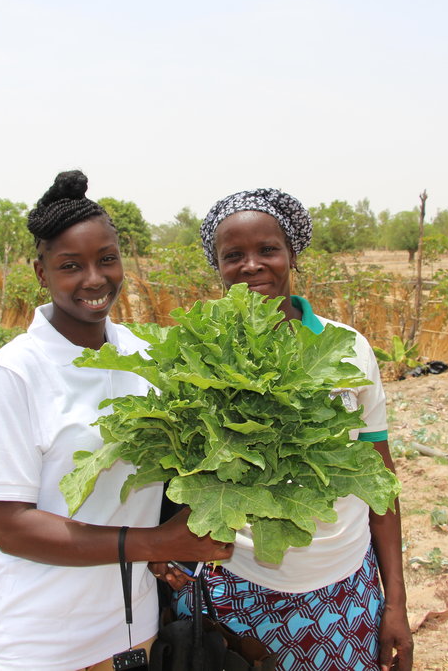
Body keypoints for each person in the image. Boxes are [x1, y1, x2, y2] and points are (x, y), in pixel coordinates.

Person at [0, 170, 233, 671]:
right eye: (71, 265)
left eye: (107, 260)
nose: (95, 279)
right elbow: (11, 527)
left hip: (133, 629)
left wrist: (171, 542)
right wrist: (156, 542)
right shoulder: (17, 372)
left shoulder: (144, 356)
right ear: (40, 272)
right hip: (41, 638)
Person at [166, 188, 413, 671]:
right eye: (233, 255)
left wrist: (396, 602)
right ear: (217, 267)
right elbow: (172, 475)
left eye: (267, 250)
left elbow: (379, 481)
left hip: (344, 585)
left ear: (292, 255)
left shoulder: (348, 347)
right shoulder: (200, 350)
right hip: (235, 589)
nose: (252, 265)